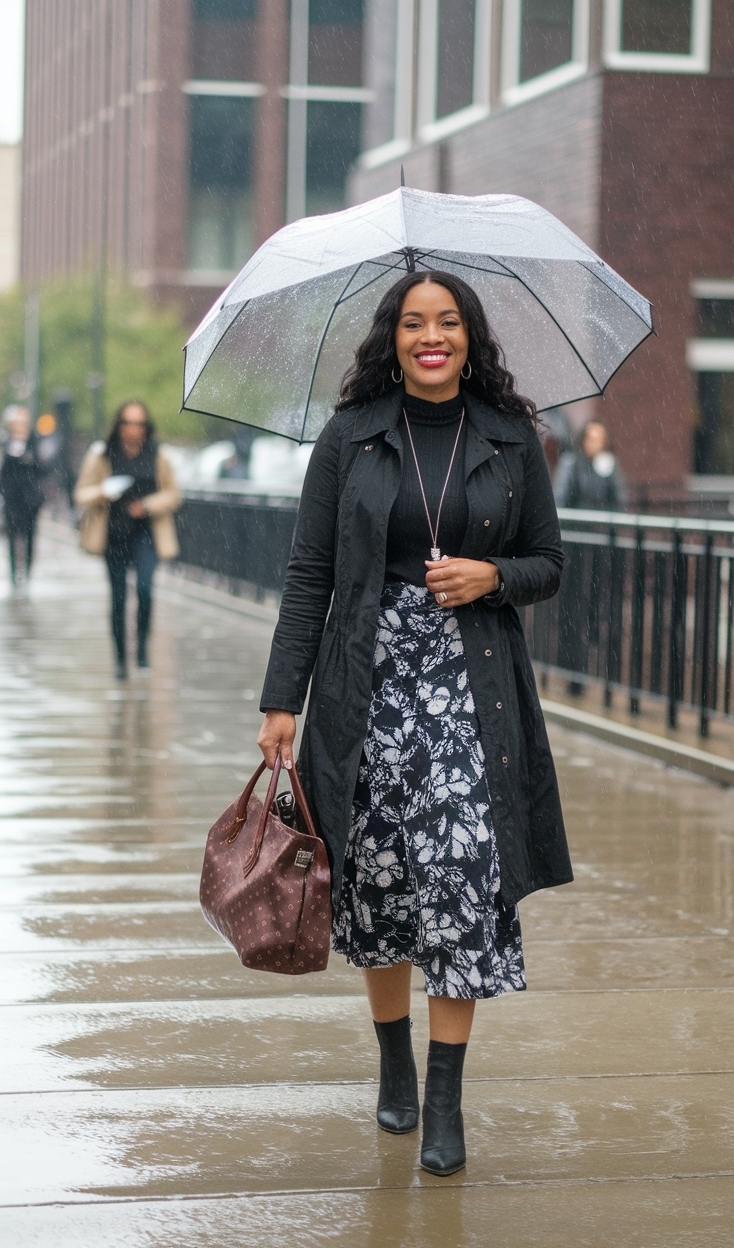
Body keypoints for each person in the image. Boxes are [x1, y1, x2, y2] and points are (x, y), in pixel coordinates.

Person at [257, 272, 572, 1177]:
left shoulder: (511, 437)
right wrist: (283, 701)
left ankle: (444, 1099)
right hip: (369, 687)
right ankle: (393, 1057)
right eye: (411, 323)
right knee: (382, 884)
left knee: (466, 880)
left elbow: (549, 561)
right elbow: (309, 573)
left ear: (470, 336)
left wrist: (491, 577)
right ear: (391, 339)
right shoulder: (350, 438)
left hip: (475, 694)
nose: (430, 337)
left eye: (447, 322)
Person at [74, 401, 180, 679]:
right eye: (128, 423)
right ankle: (121, 660)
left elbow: (173, 494)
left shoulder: (158, 455)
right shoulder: (102, 454)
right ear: (119, 425)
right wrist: (104, 491)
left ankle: (142, 651)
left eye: (139, 423)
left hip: (146, 534)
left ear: (147, 427)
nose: (133, 429)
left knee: (145, 590)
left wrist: (147, 505)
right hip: (114, 534)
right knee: (118, 598)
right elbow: (81, 493)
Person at [554, 420, 625, 695]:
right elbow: (561, 500)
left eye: (600, 437)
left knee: (594, 610)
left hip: (599, 553)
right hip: (574, 551)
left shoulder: (608, 466)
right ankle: (572, 675)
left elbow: (618, 501)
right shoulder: (572, 464)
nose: (595, 443)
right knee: (573, 609)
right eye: (591, 437)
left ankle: (591, 674)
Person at [0, 406, 45, 589]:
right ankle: (13, 575)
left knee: (30, 536)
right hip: (12, 498)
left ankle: (27, 574)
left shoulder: (34, 442)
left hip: (30, 498)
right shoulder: (5, 444)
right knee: (12, 537)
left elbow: (42, 468)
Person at [554, 419, 626, 512]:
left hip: (599, 521)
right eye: (591, 439)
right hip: (574, 521)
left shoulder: (608, 464)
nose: (594, 444)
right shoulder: (571, 463)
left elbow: (619, 497)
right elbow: (560, 496)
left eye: (599, 440)